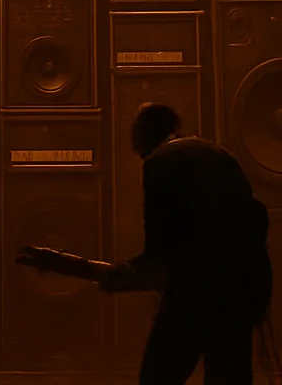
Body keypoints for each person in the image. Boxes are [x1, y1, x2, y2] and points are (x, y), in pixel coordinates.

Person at [105, 102, 272, 385]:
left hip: (195, 292)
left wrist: (125, 272)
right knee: (228, 376)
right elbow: (256, 216)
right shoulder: (219, 154)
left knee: (159, 375)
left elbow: (160, 245)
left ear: (143, 134)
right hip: (241, 288)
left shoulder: (158, 163)